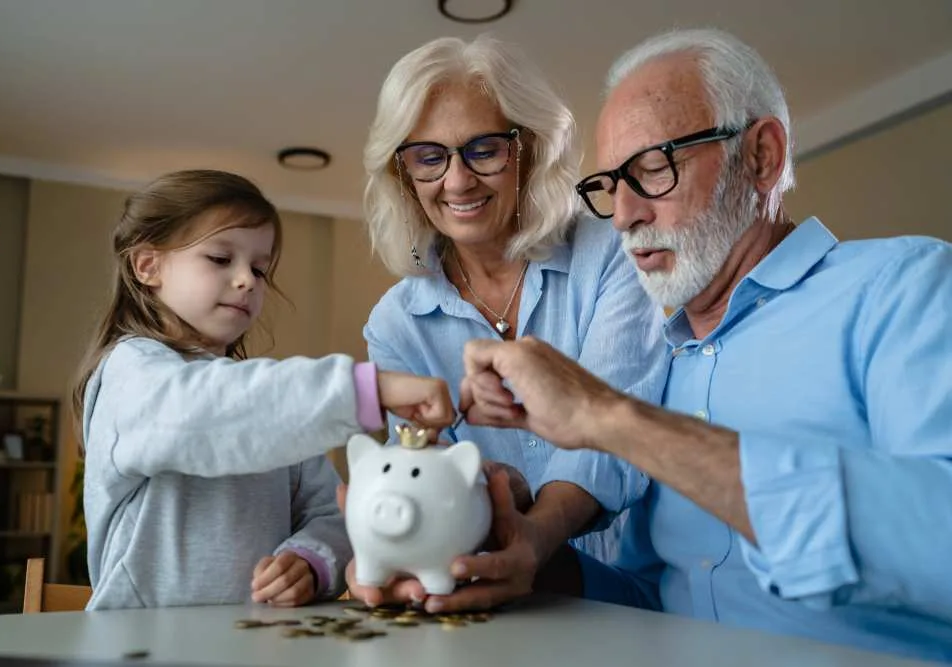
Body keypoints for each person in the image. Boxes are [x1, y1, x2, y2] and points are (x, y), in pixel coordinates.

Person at [457, 28, 952, 662]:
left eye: (653, 167)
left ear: (762, 157)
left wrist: (608, 417)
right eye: (610, 183)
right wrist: (526, 556)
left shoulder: (903, 286)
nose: (624, 214)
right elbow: (660, 599)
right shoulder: (665, 363)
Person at [355, 35, 669, 612]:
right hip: (492, 602)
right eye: (429, 157)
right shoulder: (395, 324)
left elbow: (613, 428)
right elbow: (424, 477)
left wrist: (538, 532)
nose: (457, 182)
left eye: (483, 149)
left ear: (529, 148)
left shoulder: (610, 256)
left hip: (638, 594)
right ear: (403, 174)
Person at [72, 169, 454, 610]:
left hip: (259, 646)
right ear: (148, 266)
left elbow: (333, 512)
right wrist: (368, 389)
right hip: (140, 647)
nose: (247, 280)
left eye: (259, 268)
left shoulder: (274, 412)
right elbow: (203, 412)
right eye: (220, 258)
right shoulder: (130, 371)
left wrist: (310, 561)